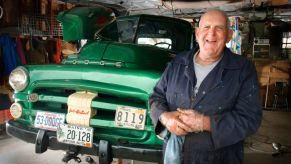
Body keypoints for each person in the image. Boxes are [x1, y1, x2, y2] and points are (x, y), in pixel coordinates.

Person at [149, 9, 262, 164]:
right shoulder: (178, 62)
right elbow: (156, 97)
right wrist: (165, 118)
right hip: (173, 156)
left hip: (220, 158)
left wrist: (205, 123)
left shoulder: (243, 69)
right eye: (206, 27)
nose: (211, 34)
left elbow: (250, 119)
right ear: (197, 33)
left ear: (229, 36)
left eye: (219, 28)